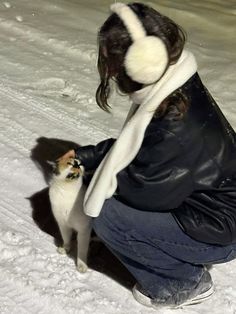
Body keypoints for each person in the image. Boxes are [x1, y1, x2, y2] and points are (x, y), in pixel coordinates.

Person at [59, 2, 236, 309]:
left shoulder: (172, 125)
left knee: (107, 214)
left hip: (221, 230)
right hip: (219, 211)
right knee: (102, 191)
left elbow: (142, 191)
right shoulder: (176, 82)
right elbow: (139, 146)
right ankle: (178, 258)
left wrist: (93, 179)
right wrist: (87, 157)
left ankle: (182, 283)